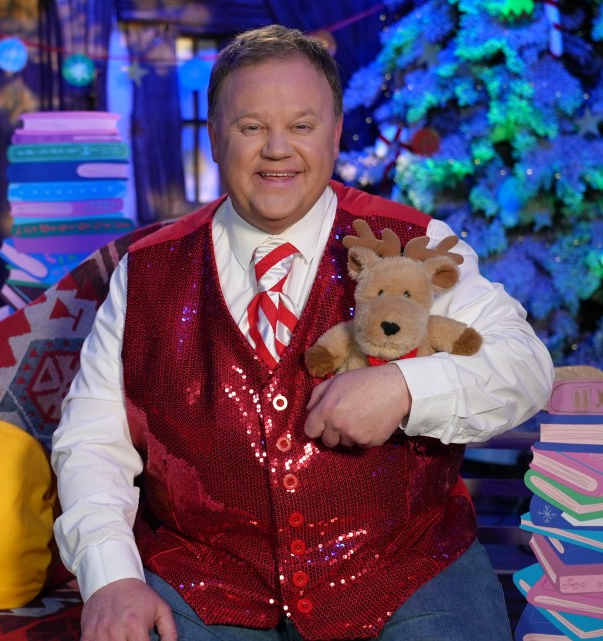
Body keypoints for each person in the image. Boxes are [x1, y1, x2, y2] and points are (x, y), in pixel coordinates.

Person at [50, 24, 553, 641]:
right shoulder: (146, 272)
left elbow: (526, 364)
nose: (277, 150)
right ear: (214, 136)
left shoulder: (415, 243)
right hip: (203, 586)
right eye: (252, 127)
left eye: (302, 126)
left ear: (336, 133)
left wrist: (406, 387)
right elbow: (92, 441)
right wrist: (110, 576)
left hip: (409, 573)